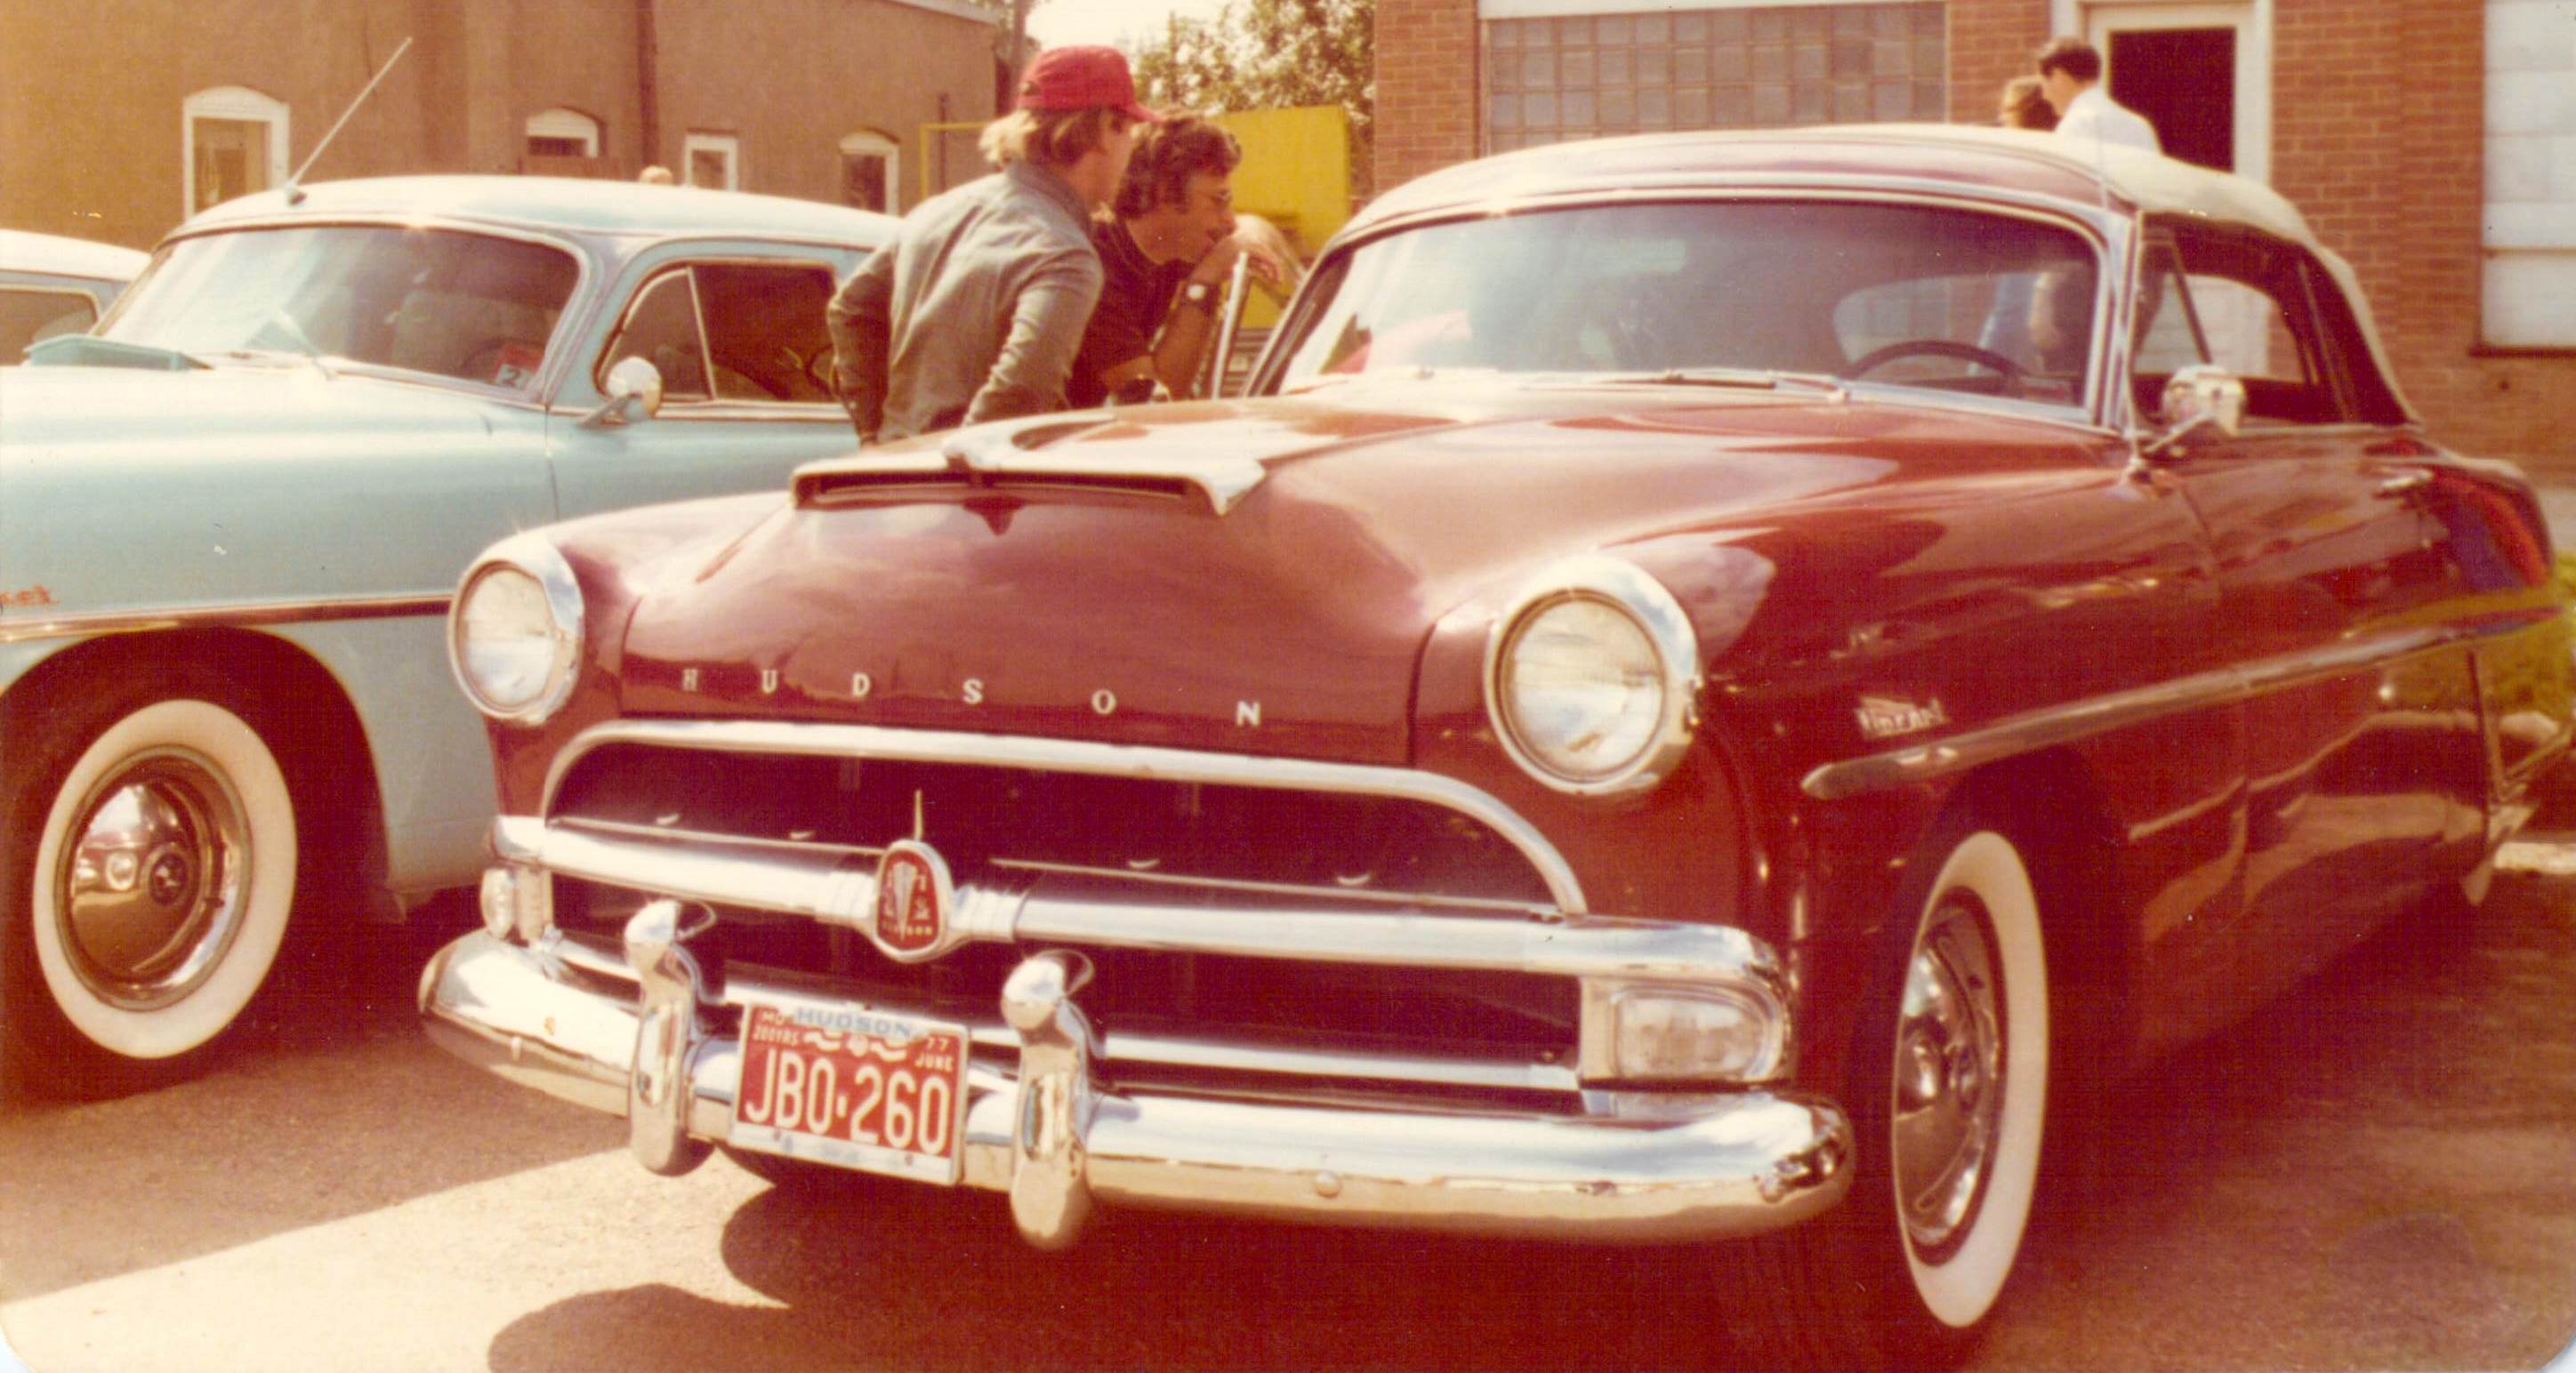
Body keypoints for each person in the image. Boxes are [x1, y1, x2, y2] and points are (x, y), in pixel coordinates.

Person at [826, 45, 1157, 444]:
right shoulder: (1064, 255)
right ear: (1105, 129)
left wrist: (875, 435)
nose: (1131, 150)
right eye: (1130, 132)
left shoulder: (936, 211)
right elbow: (1021, 392)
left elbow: (851, 308)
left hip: (900, 467)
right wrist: (949, 464)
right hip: (972, 478)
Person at [1063, 114, 1300, 408]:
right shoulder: (1094, 265)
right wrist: (1204, 284)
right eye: (1218, 202)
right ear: (1165, 195)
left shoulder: (1175, 245)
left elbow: (1247, 227)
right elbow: (1154, 402)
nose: (1228, 222)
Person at [1978, 76, 2061, 370]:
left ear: (2024, 114)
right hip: (2036, 260)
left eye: (2007, 110)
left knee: (2010, 319)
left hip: (2033, 257)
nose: (2001, 118)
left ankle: (1981, 382)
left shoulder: (2034, 158)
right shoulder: (2045, 154)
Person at [2034, 36, 2161, 153]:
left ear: (2058, 76)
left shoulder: (2077, 125)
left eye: (2042, 84)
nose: (2044, 96)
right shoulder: (2140, 126)